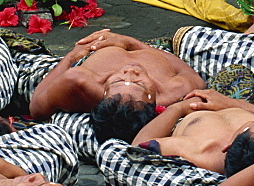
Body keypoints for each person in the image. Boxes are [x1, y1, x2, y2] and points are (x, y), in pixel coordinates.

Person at [28, 30, 204, 125]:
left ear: (104, 91)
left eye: (118, 80)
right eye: (140, 84)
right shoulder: (173, 90)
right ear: (153, 99)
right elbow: (193, 76)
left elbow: (36, 108)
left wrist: (71, 57)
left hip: (93, 53)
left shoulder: (80, 80)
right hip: (145, 48)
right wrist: (131, 43)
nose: (129, 71)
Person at [129, 89, 254, 173]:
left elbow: (137, 147)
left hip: (181, 109)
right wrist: (232, 103)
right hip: (233, 101)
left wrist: (177, 108)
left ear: (230, 144)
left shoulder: (197, 153)